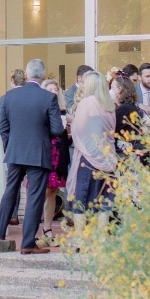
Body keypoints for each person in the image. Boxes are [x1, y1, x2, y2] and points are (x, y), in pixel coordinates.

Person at [0, 59, 64, 254]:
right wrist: (42, 135)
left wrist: (10, 145)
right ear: (44, 76)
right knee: (34, 196)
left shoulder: (8, 97)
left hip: (15, 150)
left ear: (26, 73)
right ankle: (28, 242)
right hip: (38, 152)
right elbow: (57, 129)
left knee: (10, 190)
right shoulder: (48, 98)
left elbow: (3, 128)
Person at [65, 71, 117, 225]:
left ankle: (82, 240)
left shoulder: (87, 102)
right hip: (108, 157)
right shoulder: (110, 105)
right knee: (104, 203)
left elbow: (78, 129)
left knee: (81, 200)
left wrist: (71, 121)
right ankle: (101, 239)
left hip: (88, 158)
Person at [37, 79, 70, 247]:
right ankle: (35, 229)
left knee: (52, 192)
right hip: (44, 154)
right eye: (49, 89)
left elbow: (65, 138)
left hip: (59, 155)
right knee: (40, 192)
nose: (53, 92)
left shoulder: (63, 111)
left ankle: (48, 229)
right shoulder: (39, 110)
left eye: (55, 89)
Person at [0, 68, 25, 226]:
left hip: (13, 145)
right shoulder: (32, 96)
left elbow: (3, 124)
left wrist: (6, 143)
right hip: (29, 146)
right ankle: (15, 215)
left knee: (12, 181)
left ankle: (10, 215)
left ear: (12, 81)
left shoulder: (5, 98)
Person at [110, 74, 146, 160]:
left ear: (119, 89)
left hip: (124, 155)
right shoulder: (128, 106)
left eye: (112, 88)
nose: (110, 91)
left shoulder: (125, 109)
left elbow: (110, 127)